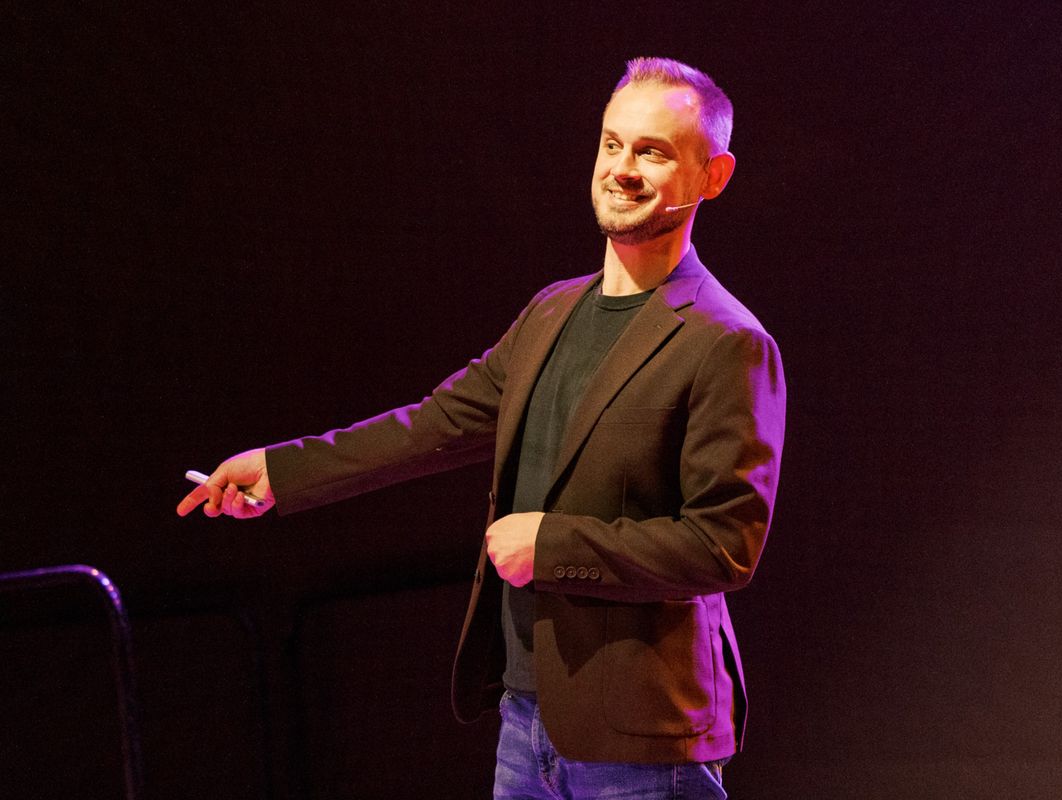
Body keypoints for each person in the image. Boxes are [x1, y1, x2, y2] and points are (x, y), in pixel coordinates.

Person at [178, 56, 786, 800]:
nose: (623, 169)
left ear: (711, 177)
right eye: (612, 143)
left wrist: (553, 545)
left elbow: (724, 546)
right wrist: (280, 472)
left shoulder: (726, 341)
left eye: (653, 151)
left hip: (641, 738)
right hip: (527, 721)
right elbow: (431, 426)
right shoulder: (552, 312)